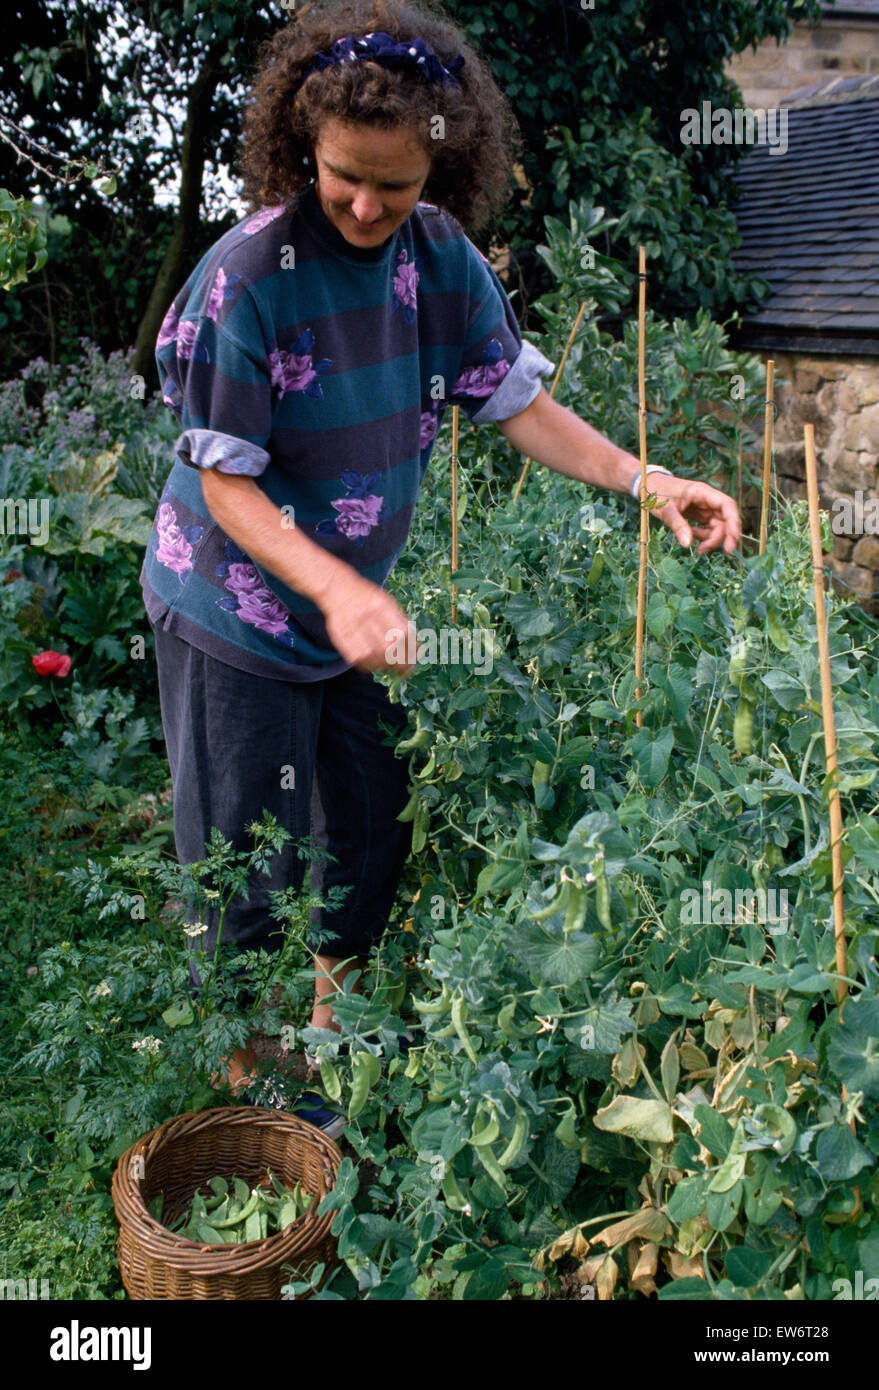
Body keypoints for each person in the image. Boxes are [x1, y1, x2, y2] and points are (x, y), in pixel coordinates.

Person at [140, 0, 740, 1135]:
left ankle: (337, 1035)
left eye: (395, 184)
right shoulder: (249, 276)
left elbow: (519, 404)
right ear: (299, 151)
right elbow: (225, 483)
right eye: (342, 178)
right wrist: (339, 586)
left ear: (442, 167)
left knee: (371, 820)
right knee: (240, 853)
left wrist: (648, 480)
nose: (366, 206)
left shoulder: (443, 263)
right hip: (234, 608)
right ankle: (256, 1096)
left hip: (348, 615)